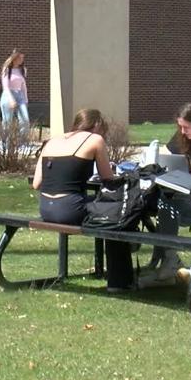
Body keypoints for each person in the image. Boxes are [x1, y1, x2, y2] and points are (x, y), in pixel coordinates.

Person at [31, 109, 136, 291]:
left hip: (46, 208)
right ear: (96, 125)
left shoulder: (52, 141)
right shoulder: (94, 139)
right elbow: (108, 179)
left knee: (100, 207)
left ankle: (118, 276)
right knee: (115, 216)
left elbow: (36, 183)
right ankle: (120, 282)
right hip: (70, 209)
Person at [0, 50, 29, 133]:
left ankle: (22, 144)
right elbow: (5, 86)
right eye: (20, 57)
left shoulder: (22, 70)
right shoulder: (7, 69)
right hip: (8, 95)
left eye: (23, 58)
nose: (22, 60)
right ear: (14, 58)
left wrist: (26, 99)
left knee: (25, 120)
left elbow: (23, 86)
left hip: (20, 95)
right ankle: (5, 144)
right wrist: (11, 99)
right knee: (7, 123)